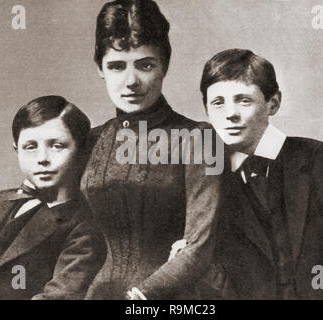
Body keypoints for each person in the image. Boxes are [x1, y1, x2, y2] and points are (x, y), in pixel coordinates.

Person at [200, 49, 323, 299]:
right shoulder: (207, 175)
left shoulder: (315, 158)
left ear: (273, 103)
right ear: (207, 111)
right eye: (218, 102)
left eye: (243, 100)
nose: (230, 114)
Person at [82, 0, 221, 300]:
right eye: (117, 66)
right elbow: (74, 238)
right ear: (99, 69)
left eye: (146, 65)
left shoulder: (199, 138)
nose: (131, 81)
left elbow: (200, 246)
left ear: (165, 65)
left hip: (171, 298)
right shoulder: (91, 141)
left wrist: (143, 296)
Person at [0, 95, 103, 300]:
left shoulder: (83, 226)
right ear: (17, 150)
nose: (42, 159)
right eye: (30, 147)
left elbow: (59, 296)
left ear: (81, 151)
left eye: (57, 145)